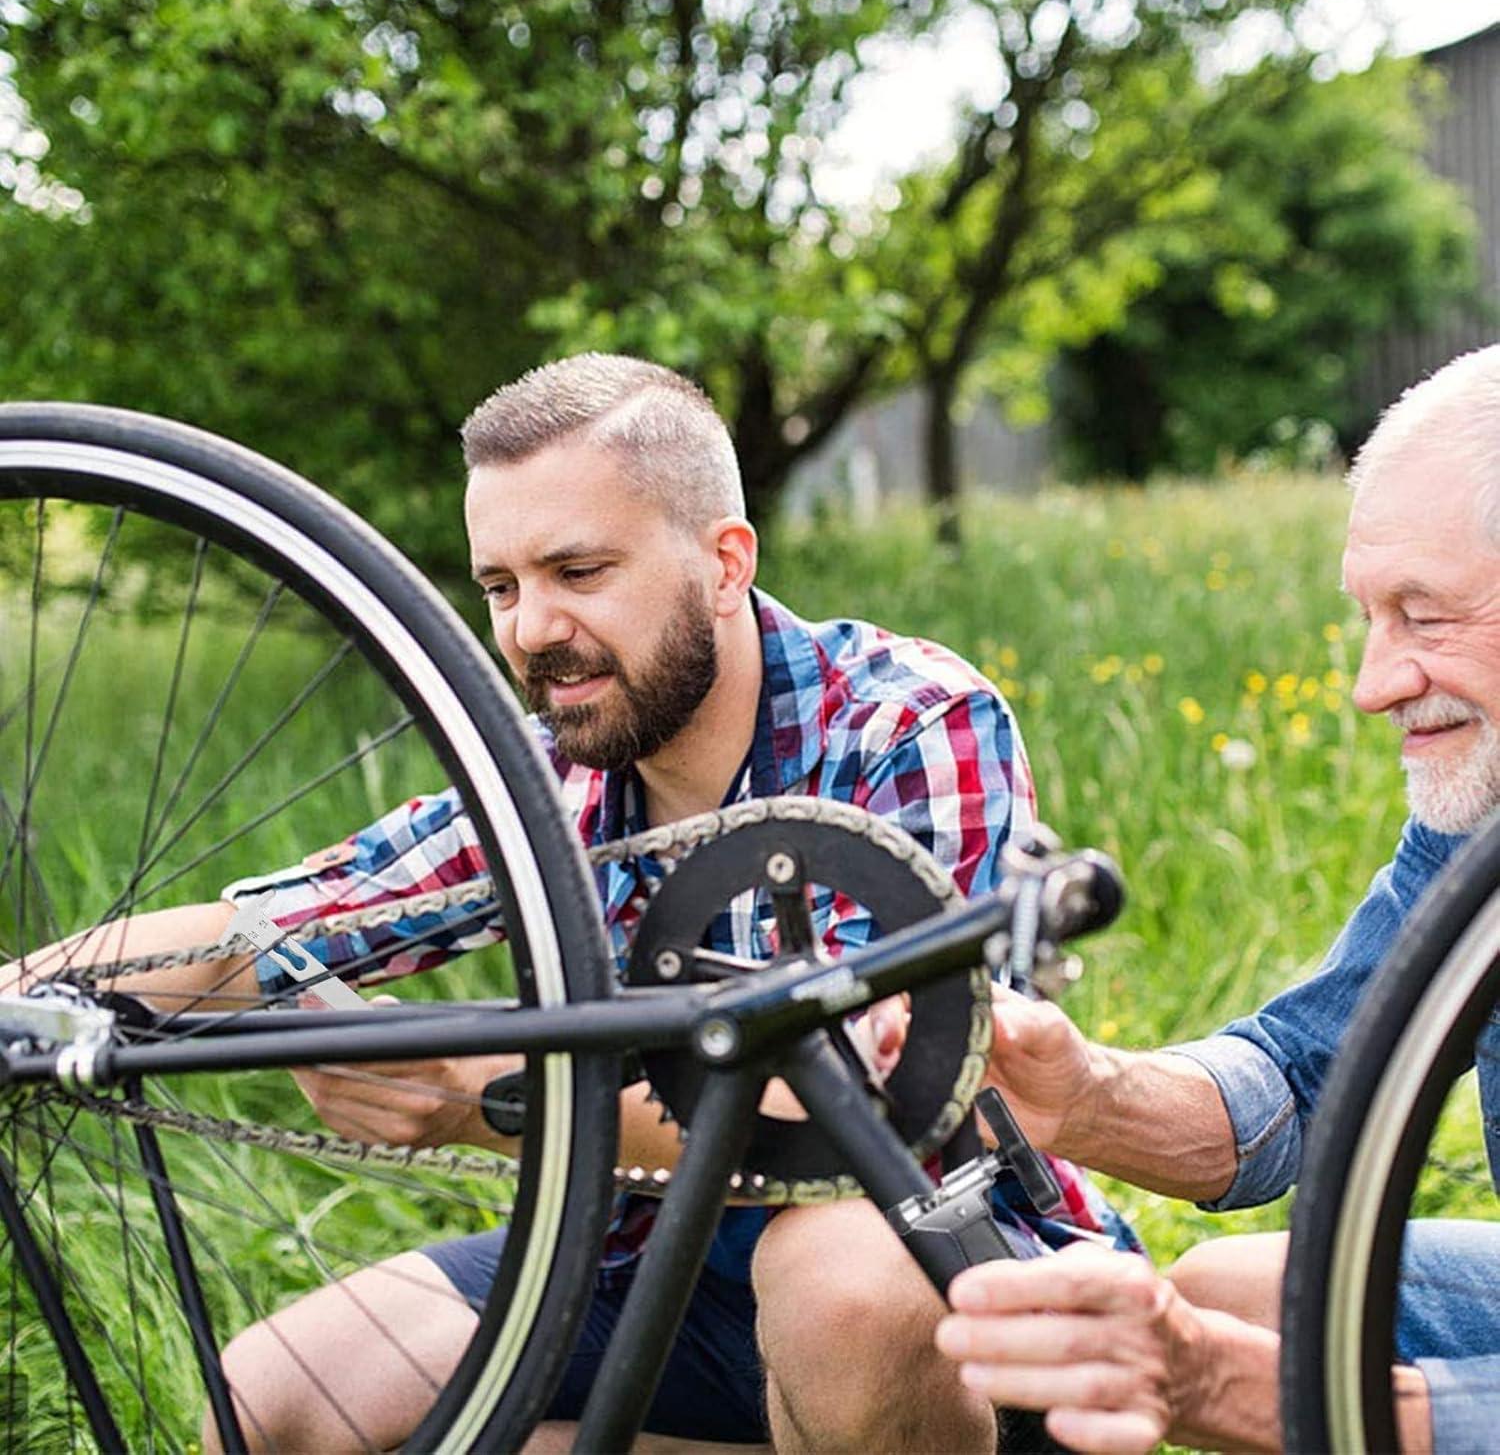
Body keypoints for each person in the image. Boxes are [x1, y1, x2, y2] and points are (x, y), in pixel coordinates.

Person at [48, 354, 1133, 1452]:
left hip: (943, 1271)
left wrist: (491, 1098)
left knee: (840, 1287)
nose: (528, 629)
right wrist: (24, 1006)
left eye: (579, 570)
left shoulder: (906, 721)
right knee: (276, 1398)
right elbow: (284, 929)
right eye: (502, 587)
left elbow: (879, 1105)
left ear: (723, 561)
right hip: (655, 1264)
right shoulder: (549, 776)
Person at [935, 344, 1500, 1454]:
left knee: (1265, 1362)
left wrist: (1240, 1394)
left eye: (1425, 618)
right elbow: (1303, 1074)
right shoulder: (1475, 829)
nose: (1372, 684)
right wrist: (1079, 1094)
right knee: (1237, 1298)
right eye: (1371, 618)